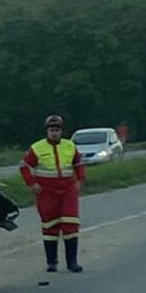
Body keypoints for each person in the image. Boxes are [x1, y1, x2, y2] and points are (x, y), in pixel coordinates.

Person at [19, 115, 86, 273]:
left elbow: (78, 164)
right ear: (47, 132)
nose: (54, 133)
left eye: (57, 130)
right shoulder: (37, 148)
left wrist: (79, 181)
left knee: (70, 224)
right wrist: (32, 183)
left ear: (61, 131)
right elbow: (24, 166)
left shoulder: (70, 146)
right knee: (50, 226)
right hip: (46, 192)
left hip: (68, 191)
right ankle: (52, 262)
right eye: (51, 130)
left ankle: (72, 262)